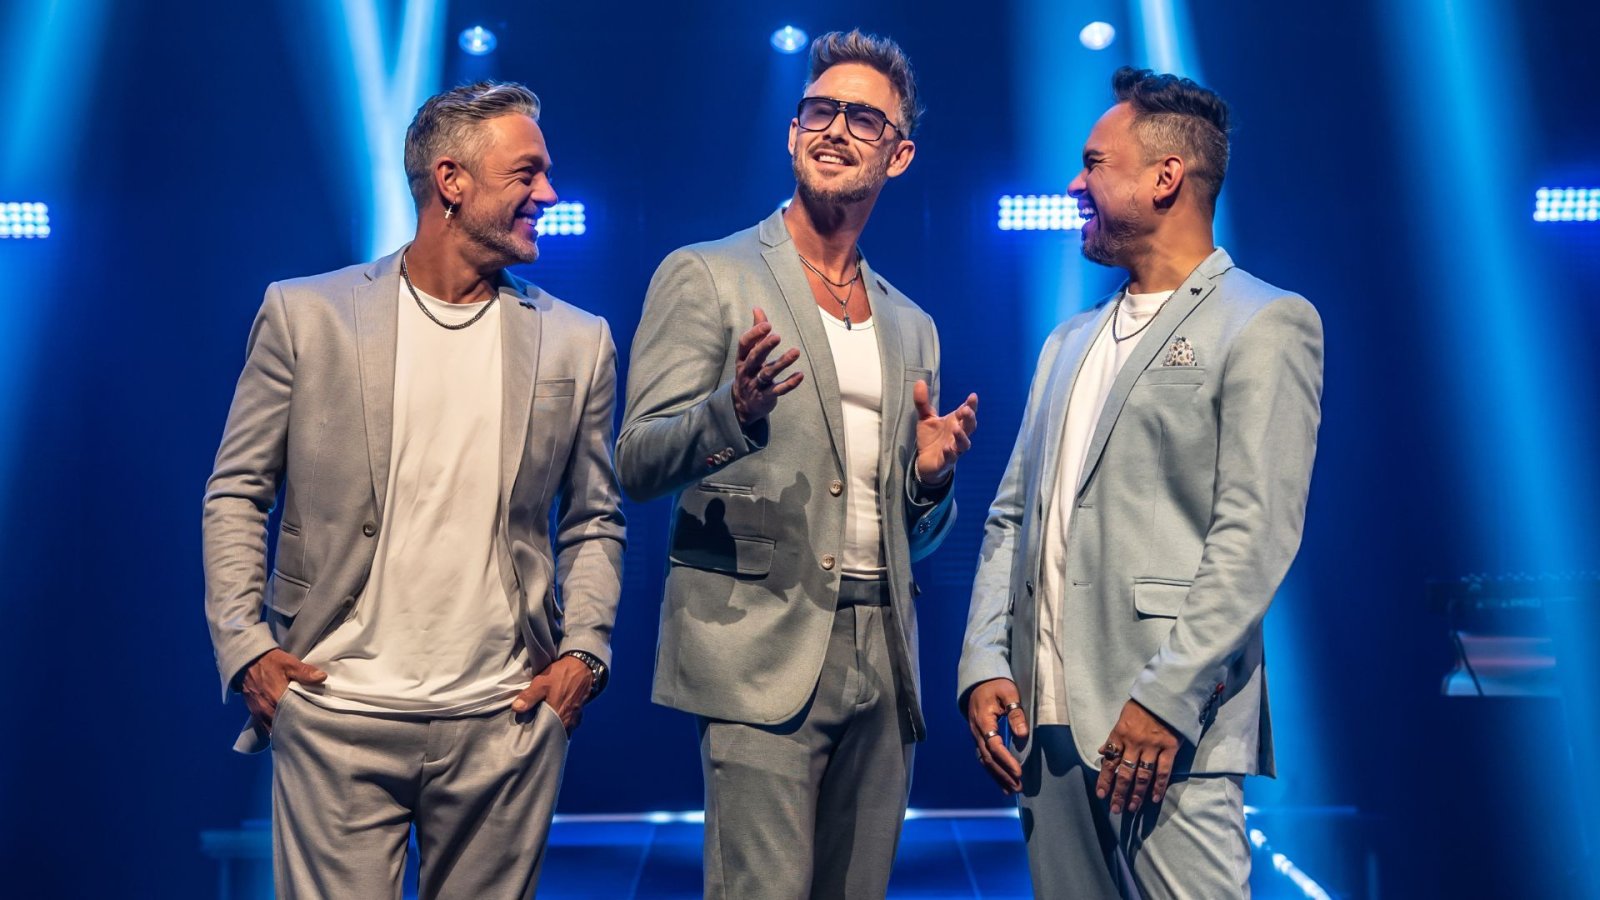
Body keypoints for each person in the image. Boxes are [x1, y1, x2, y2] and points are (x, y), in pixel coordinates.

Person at [201, 81, 625, 899]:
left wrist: (584, 654)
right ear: (451, 181)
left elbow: (595, 519)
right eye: (528, 173)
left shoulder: (578, 341)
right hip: (335, 713)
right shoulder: (306, 315)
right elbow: (237, 492)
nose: (549, 194)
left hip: (506, 722)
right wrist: (245, 647)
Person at [616, 29, 979, 900]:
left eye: (864, 119)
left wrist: (930, 484)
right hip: (758, 648)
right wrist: (732, 413)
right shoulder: (706, 275)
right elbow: (636, 461)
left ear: (899, 155)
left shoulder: (912, 324)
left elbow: (918, 534)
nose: (836, 129)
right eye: (820, 110)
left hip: (884, 655)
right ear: (791, 132)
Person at [958, 66, 1323, 898]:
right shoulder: (1067, 341)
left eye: (1093, 164)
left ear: (1166, 177)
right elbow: (1011, 517)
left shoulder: (1267, 321)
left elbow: (1255, 534)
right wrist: (983, 659)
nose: (1072, 185)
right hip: (1043, 731)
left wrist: (1166, 698)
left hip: (1169, 734)